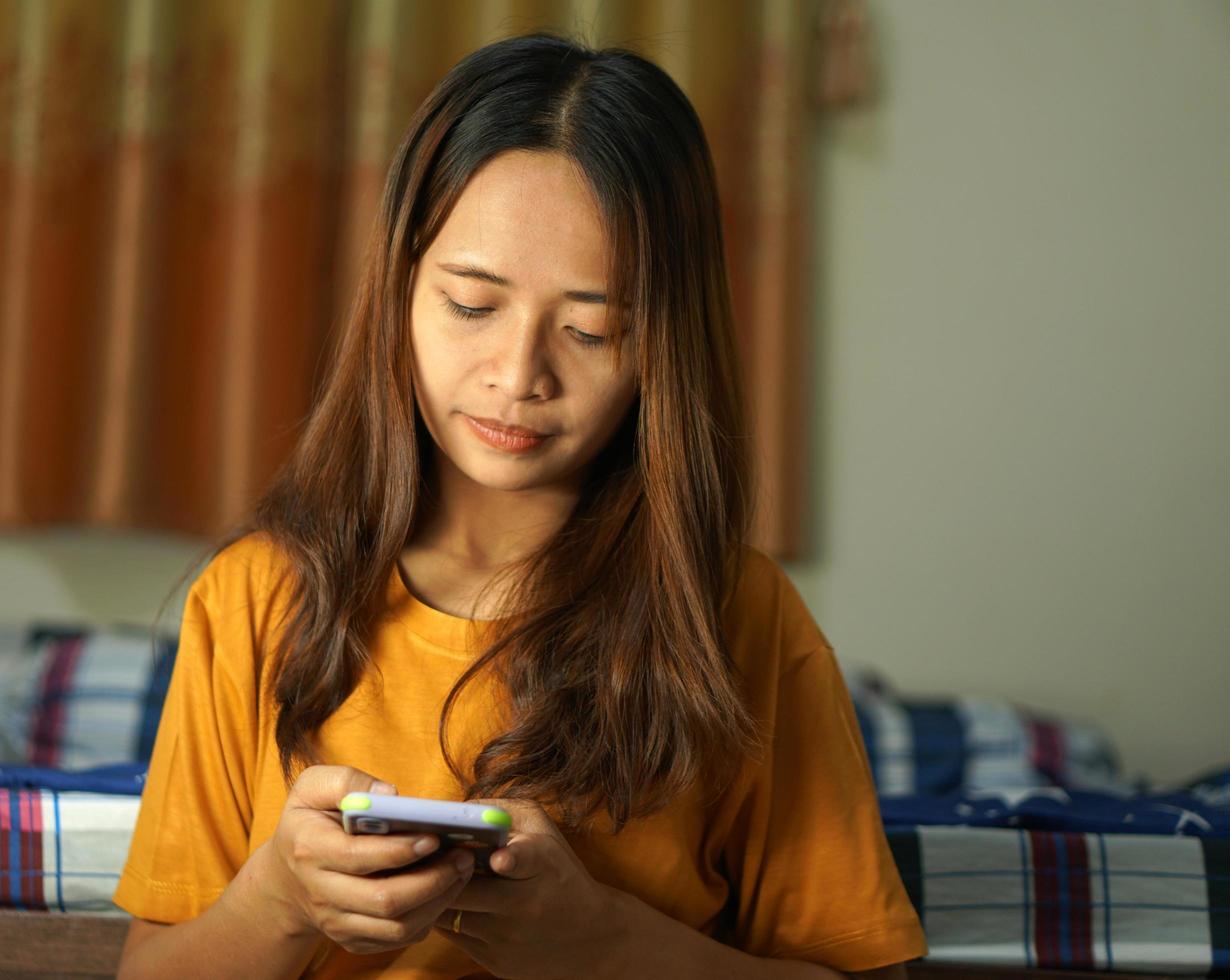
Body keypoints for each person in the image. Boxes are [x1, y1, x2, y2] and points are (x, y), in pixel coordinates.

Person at [113, 31, 927, 980]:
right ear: (398, 293)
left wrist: (604, 944)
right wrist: (279, 902)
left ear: (661, 347)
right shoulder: (256, 598)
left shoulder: (737, 618)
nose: (517, 375)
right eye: (470, 305)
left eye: (590, 329)